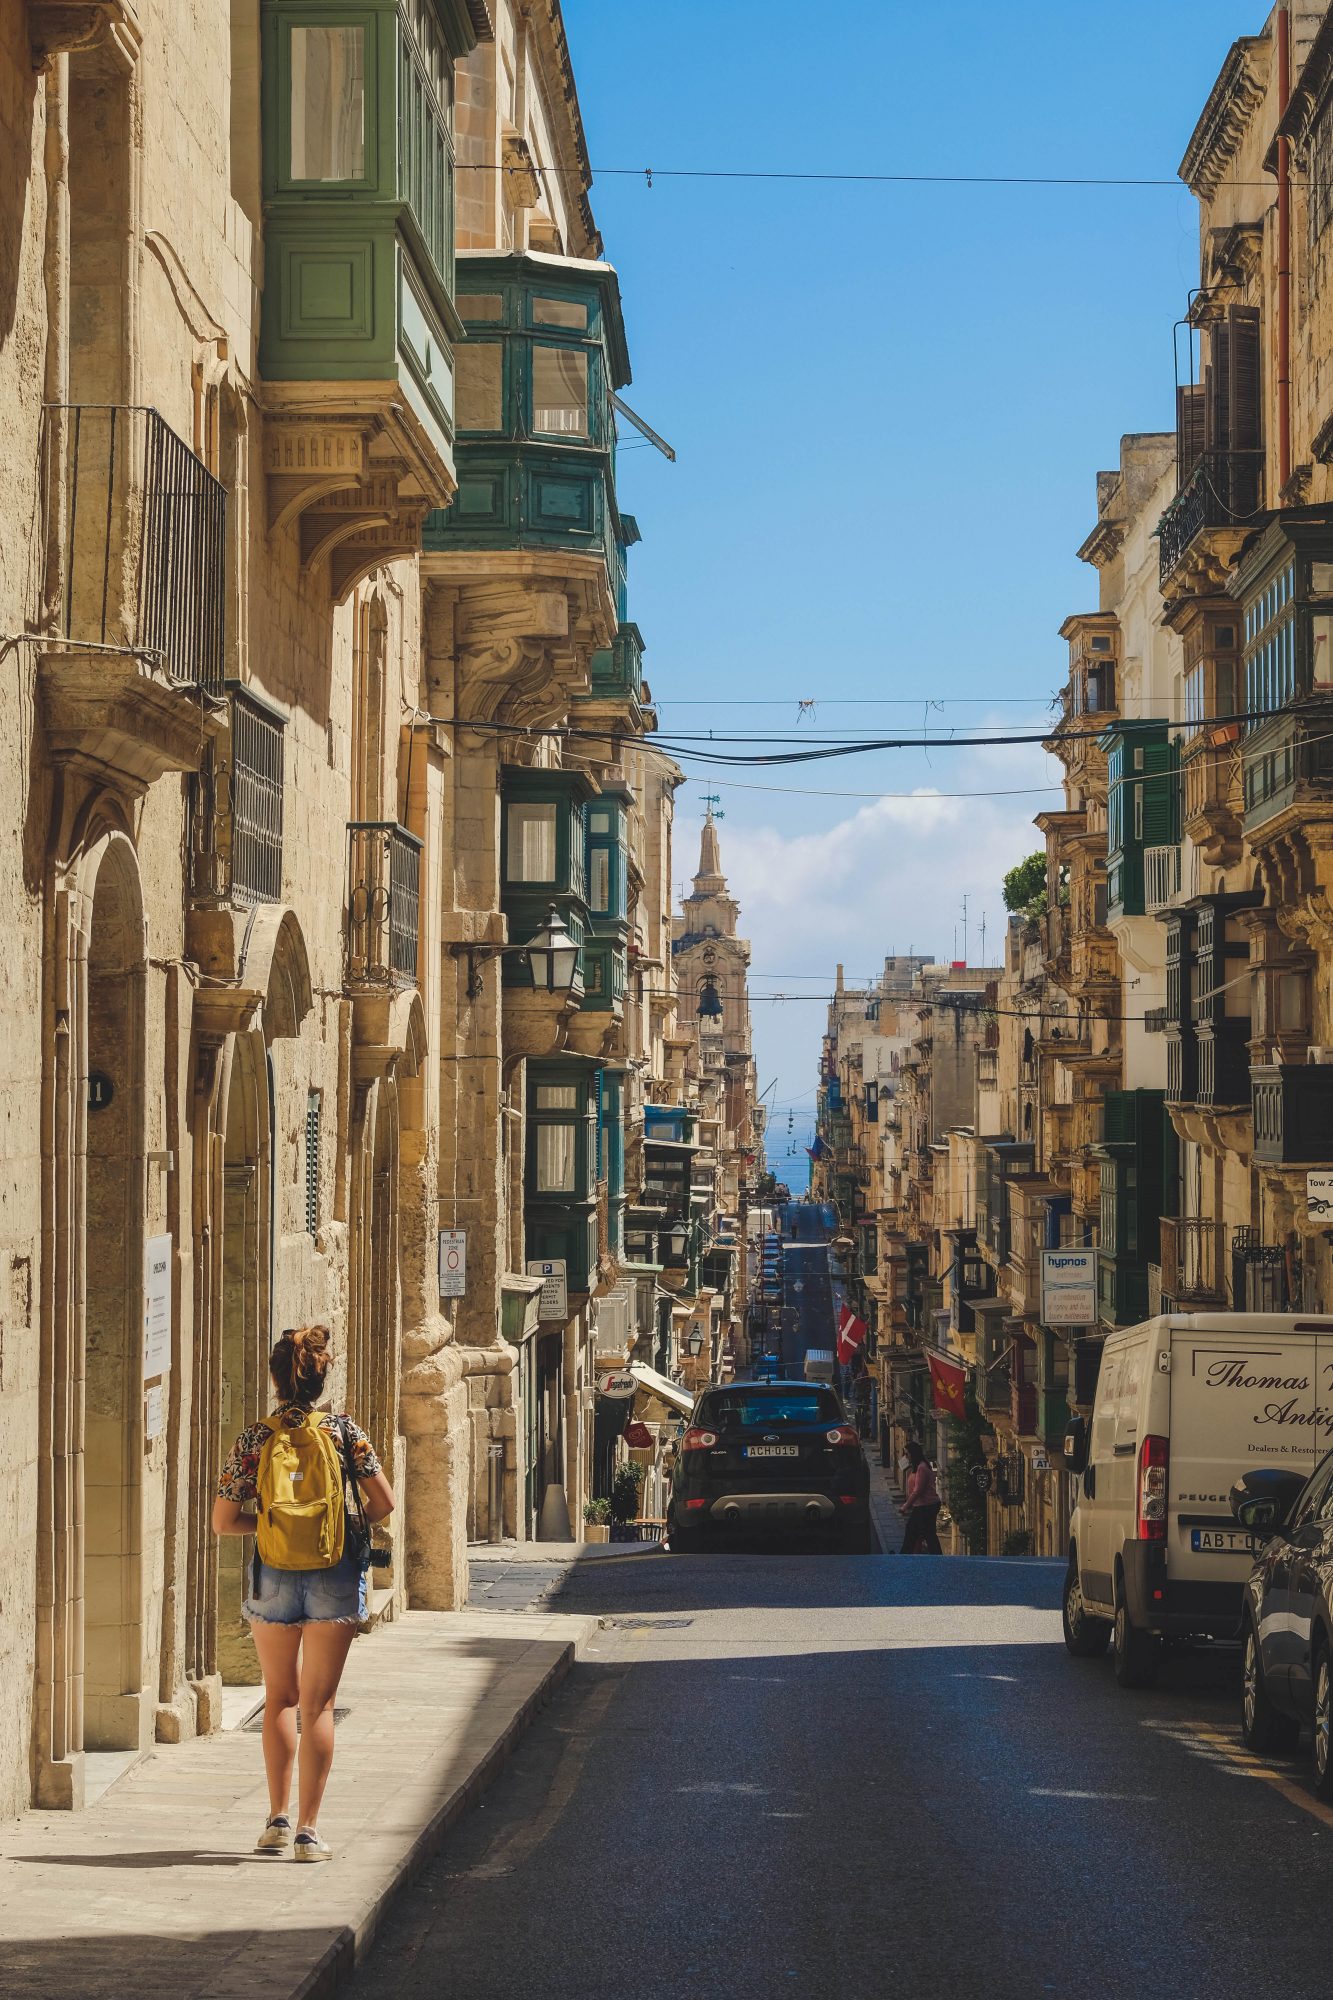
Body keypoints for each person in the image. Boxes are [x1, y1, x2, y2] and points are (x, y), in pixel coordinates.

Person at [212, 1324, 395, 1861]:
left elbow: (223, 1521)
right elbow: (383, 1503)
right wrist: (340, 1527)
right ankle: (309, 1834)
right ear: (321, 1377)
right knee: (317, 1704)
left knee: (279, 1700)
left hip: (273, 1574)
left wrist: (270, 1526)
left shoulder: (254, 1438)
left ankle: (275, 1819)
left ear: (275, 1379)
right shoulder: (344, 1432)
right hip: (335, 1574)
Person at [899, 1438, 943, 1554]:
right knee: (928, 1533)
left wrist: (905, 1506)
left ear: (913, 1454)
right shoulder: (919, 1466)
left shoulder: (922, 1468)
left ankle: (904, 1555)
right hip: (926, 1505)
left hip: (925, 1506)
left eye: (907, 1454)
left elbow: (918, 1490)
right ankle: (936, 1555)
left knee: (912, 1530)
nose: (906, 1456)